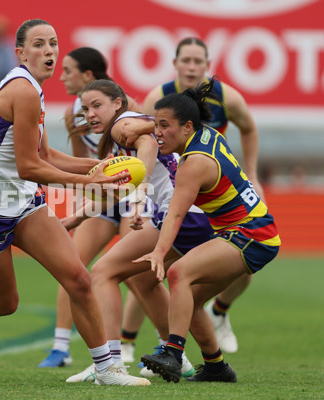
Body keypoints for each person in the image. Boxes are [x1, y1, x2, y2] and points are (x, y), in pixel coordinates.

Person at [0, 19, 149, 386]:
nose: (49, 51)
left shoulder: (34, 89)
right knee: (2, 303)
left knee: (79, 279)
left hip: (19, 201)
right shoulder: (24, 90)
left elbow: (47, 154)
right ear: (20, 52)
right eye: (39, 44)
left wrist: (100, 166)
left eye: (53, 44)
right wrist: (88, 179)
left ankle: (107, 369)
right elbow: (30, 166)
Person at [65, 79, 209, 383]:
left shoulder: (121, 125)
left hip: (179, 215)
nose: (89, 114)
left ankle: (111, 364)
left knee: (103, 273)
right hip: (191, 215)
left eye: (96, 105)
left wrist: (139, 192)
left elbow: (147, 147)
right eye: (85, 108)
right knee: (143, 281)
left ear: (118, 103)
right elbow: (117, 189)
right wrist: (76, 219)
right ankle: (176, 356)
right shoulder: (125, 130)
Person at [137, 78, 280, 382]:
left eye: (164, 125)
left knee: (179, 274)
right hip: (250, 231)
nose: (157, 133)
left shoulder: (194, 162)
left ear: (187, 127)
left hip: (250, 234)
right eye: (155, 125)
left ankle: (173, 354)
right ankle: (217, 367)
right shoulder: (207, 134)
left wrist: (159, 253)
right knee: (191, 299)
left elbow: (175, 214)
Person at [129, 37, 264, 354]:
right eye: (185, 61)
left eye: (197, 61)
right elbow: (142, 140)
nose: (191, 67)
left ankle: (212, 319)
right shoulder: (158, 98)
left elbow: (249, 128)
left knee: (176, 273)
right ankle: (133, 344)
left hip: (210, 193)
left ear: (207, 65)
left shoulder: (226, 101)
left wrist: (253, 176)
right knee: (145, 275)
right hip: (175, 193)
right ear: (174, 64)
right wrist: (141, 188)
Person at [38, 47, 143, 368]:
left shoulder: (126, 109)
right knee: (72, 265)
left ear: (87, 75)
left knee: (135, 275)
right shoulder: (74, 114)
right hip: (101, 197)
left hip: (132, 196)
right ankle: (60, 349)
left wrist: (136, 195)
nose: (61, 75)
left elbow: (147, 153)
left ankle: (147, 348)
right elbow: (78, 165)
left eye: (68, 70)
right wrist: (83, 201)